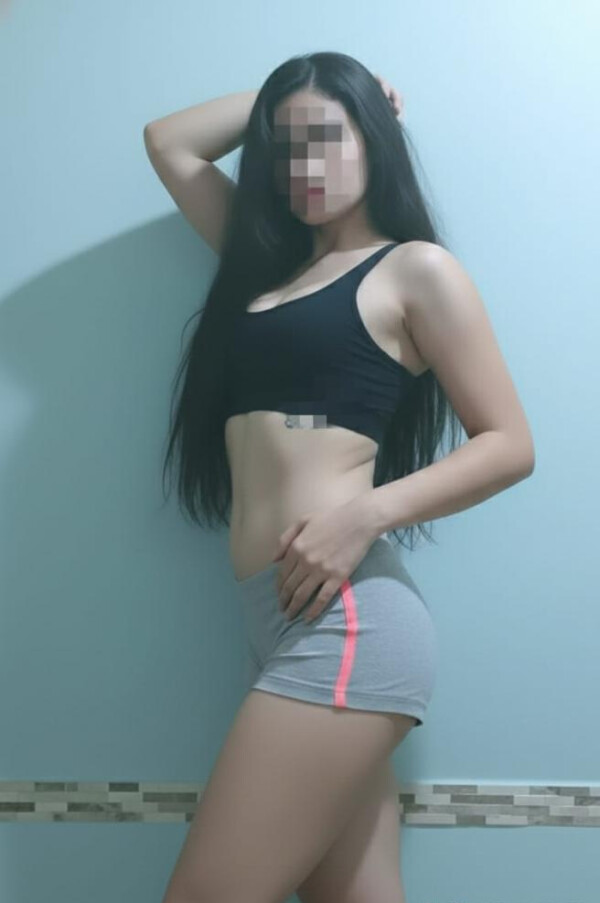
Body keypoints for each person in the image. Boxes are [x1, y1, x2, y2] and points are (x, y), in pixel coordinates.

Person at [144, 51, 535, 903]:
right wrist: (291, 93)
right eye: (285, 147)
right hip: (274, 616)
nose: (305, 165)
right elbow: (170, 142)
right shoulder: (263, 266)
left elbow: (510, 442)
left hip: (348, 619)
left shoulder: (414, 269)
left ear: (376, 139)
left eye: (328, 136)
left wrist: (363, 516)